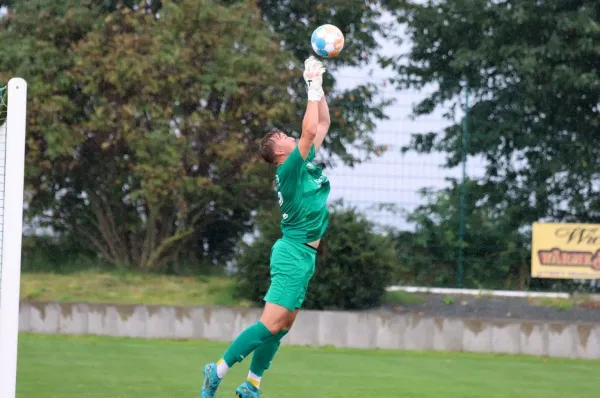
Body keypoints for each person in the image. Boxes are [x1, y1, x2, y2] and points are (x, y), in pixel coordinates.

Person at [201, 55, 332, 398]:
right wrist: (310, 85)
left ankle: (251, 385)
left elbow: (322, 124)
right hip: (292, 254)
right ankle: (217, 370)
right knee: (270, 324)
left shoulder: (303, 165)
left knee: (282, 326)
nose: (292, 137)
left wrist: (320, 84)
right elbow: (308, 130)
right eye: (284, 137)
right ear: (278, 154)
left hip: (304, 257)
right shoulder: (288, 171)